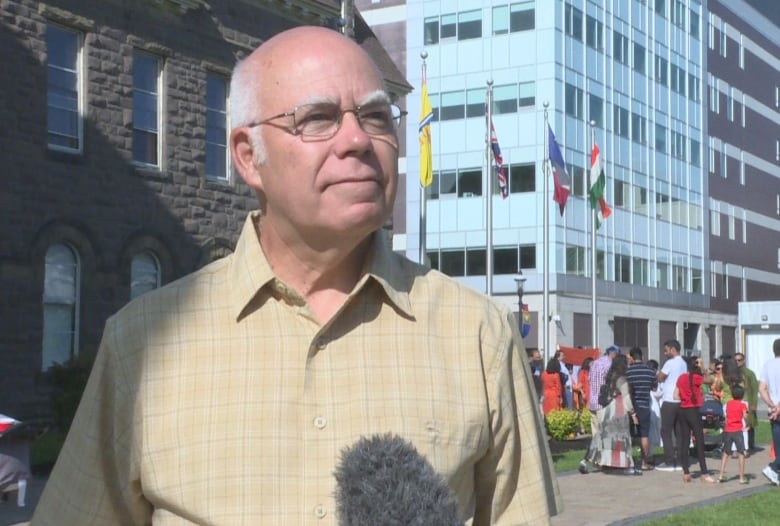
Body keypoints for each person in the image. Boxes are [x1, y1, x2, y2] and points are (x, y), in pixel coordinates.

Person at [31, 27, 560, 525]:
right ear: (248, 157)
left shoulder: (478, 335)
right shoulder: (139, 343)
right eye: (318, 118)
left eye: (376, 117)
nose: (357, 139)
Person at [586, 354, 639, 475]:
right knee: (622, 439)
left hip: (607, 410)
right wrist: (633, 413)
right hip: (619, 411)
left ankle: (607, 462)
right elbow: (626, 398)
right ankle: (623, 463)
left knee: (608, 439)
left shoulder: (610, 377)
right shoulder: (622, 379)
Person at [673, 356, 716, 483]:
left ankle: (686, 472)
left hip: (682, 409)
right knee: (699, 440)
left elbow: (675, 395)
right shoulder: (696, 378)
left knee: (685, 441)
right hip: (693, 410)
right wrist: (703, 366)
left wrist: (685, 398)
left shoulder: (681, 378)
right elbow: (708, 380)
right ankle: (704, 472)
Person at [579, 345, 619, 474]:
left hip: (593, 402)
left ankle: (598, 461)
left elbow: (590, 380)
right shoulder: (609, 365)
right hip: (604, 403)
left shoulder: (595, 363)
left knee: (596, 433)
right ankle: (594, 460)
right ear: (613, 354)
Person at [656, 339, 687, 472]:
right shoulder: (684, 363)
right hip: (680, 400)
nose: (665, 352)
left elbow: (661, 377)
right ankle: (680, 460)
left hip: (669, 400)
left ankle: (669, 461)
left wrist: (658, 374)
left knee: (666, 431)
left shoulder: (670, 363)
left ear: (673, 349)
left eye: (666, 350)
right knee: (679, 431)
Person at [626, 347, 658, 470]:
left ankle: (628, 462)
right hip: (645, 405)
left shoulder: (628, 372)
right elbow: (654, 389)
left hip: (631, 406)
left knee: (629, 434)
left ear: (632, 358)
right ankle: (645, 462)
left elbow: (626, 389)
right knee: (644, 435)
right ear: (642, 357)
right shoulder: (650, 371)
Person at [717, 384, 749, 484]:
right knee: (741, 453)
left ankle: (721, 475)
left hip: (728, 430)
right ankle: (741, 477)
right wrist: (748, 424)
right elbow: (745, 416)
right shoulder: (742, 405)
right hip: (737, 431)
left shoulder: (728, 404)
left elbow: (726, 417)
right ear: (742, 395)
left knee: (726, 453)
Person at [759, 338, 780, 486]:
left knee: (778, 445)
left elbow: (762, 388)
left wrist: (771, 405)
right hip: (777, 410)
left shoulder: (767, 365)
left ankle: (775, 472)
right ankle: (772, 467)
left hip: (773, 411)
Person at [735, 352, 759, 452]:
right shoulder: (733, 373)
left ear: (744, 361)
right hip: (736, 401)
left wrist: (754, 403)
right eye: (735, 360)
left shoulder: (749, 373)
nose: (737, 362)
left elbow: (754, 388)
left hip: (747, 400)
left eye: (739, 360)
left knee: (749, 423)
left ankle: (750, 444)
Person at [647, 359, 663, 453]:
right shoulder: (654, 379)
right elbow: (658, 394)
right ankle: (650, 455)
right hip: (653, 408)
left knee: (650, 432)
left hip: (647, 407)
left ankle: (648, 454)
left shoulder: (645, 377)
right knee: (653, 431)